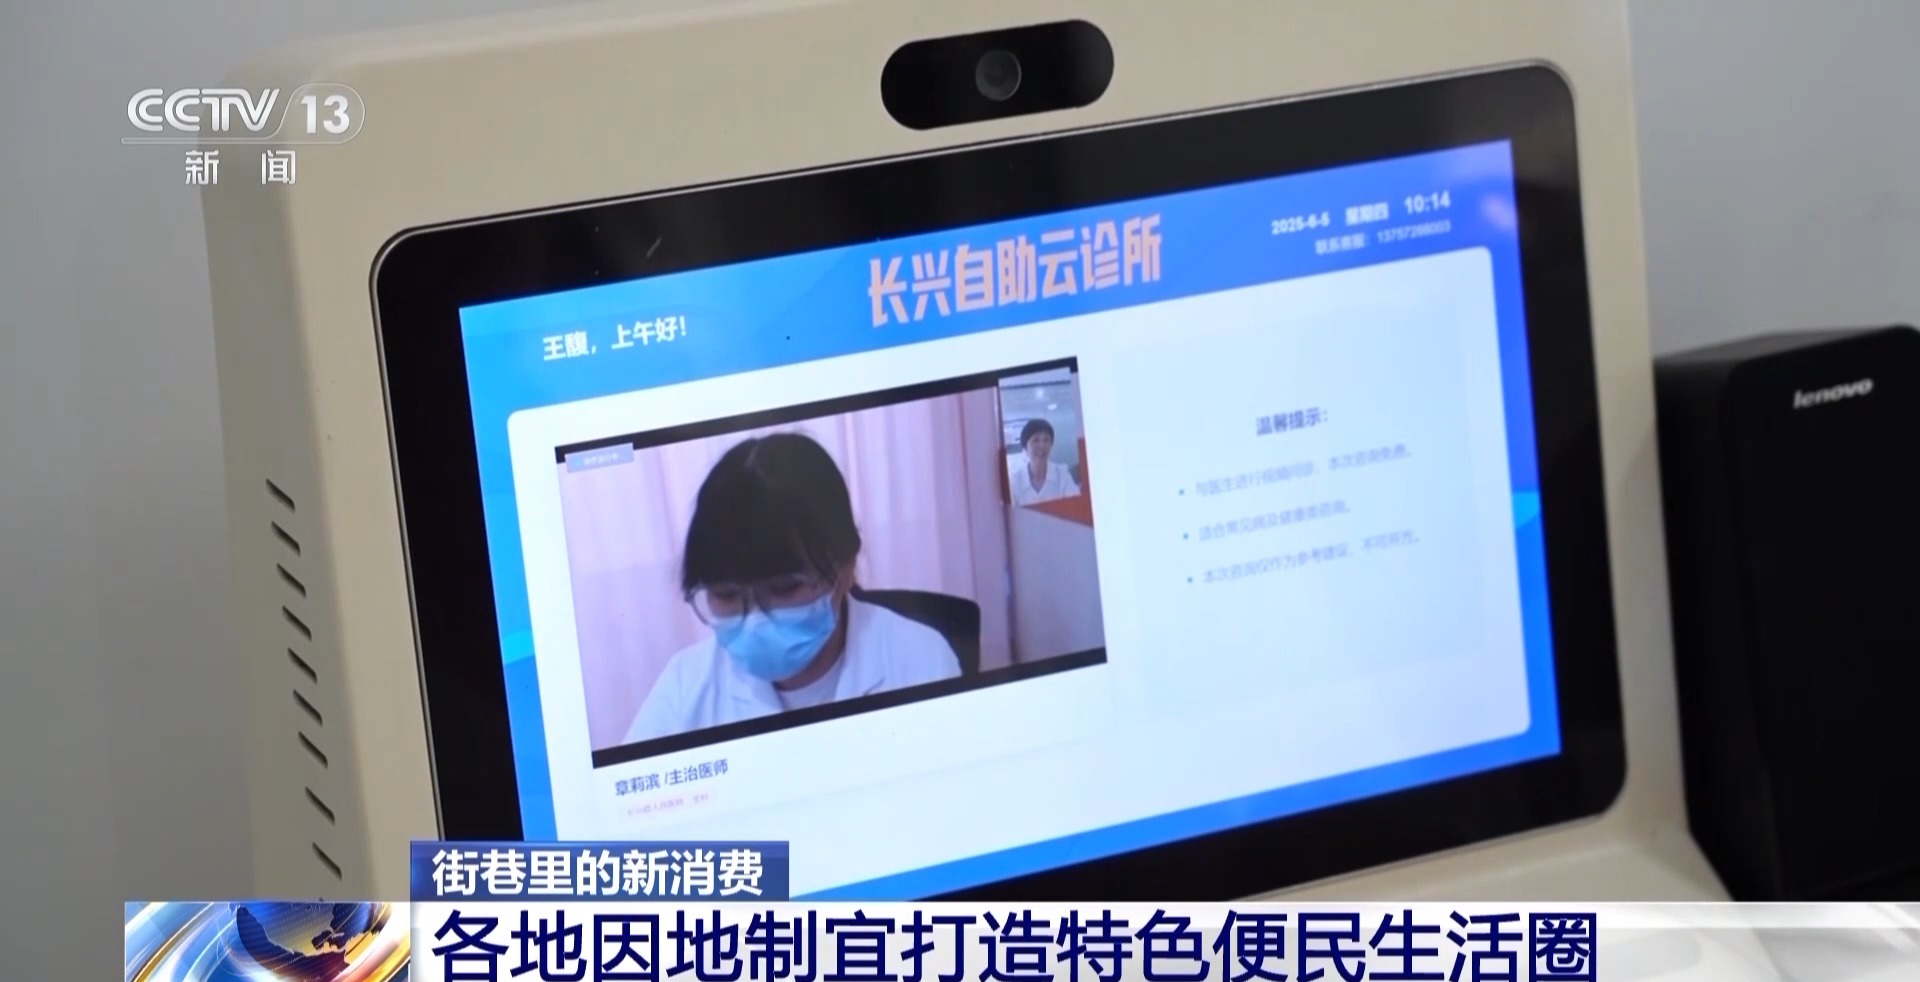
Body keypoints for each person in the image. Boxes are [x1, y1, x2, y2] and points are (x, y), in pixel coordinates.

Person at [625, 432, 961, 743]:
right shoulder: (684, 689)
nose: (754, 622)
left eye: (785, 588)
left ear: (844, 568)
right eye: (726, 595)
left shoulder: (920, 659)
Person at [1008, 417, 1082, 506]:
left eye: (1046, 440)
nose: (1042, 446)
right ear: (1025, 447)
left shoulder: (1062, 473)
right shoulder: (1015, 481)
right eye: (1036, 440)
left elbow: (1076, 505)